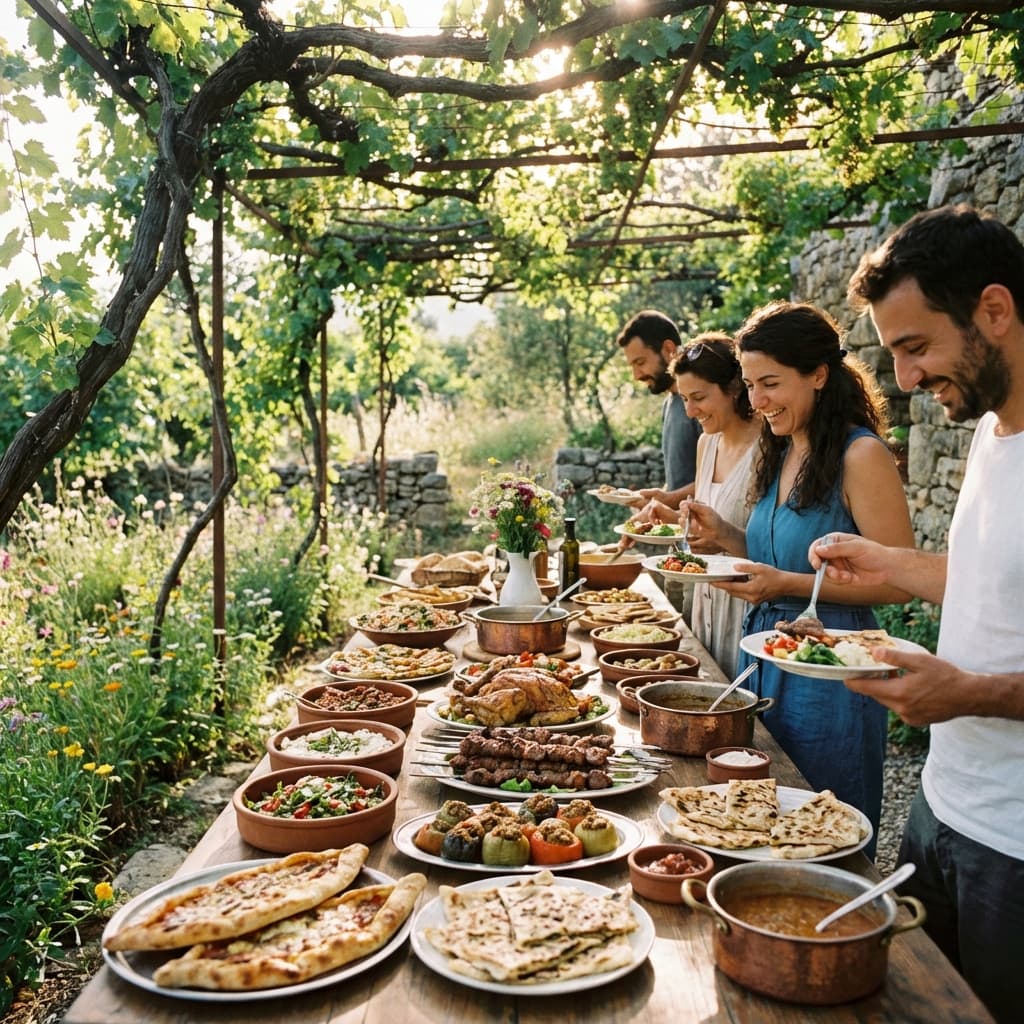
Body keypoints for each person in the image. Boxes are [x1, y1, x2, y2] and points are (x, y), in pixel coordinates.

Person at [808, 205, 1024, 1024]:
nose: (902, 379)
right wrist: (895, 566)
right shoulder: (992, 432)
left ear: (993, 312)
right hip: (941, 809)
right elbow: (996, 582)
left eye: (914, 347)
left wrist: (967, 692)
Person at [683, 301, 914, 840]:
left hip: (830, 673)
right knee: (760, 823)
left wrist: (783, 585)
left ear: (818, 375)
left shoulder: (861, 456)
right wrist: (725, 534)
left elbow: (902, 581)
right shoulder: (782, 448)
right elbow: (781, 554)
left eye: (770, 384)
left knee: (823, 828)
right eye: (748, 385)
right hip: (765, 658)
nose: (756, 401)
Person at [640, 332, 760, 677]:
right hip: (704, 603)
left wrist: (723, 536)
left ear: (734, 387)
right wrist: (675, 521)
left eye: (699, 398)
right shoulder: (707, 444)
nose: (690, 412)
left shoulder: (772, 448)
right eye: (684, 400)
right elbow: (708, 529)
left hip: (747, 608)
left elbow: (769, 539)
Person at [615, 310, 701, 507]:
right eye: (632, 366)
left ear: (669, 349)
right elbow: (679, 483)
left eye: (641, 362)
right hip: (681, 533)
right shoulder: (669, 404)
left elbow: (724, 477)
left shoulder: (702, 403)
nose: (636, 375)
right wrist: (651, 500)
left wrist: (666, 500)